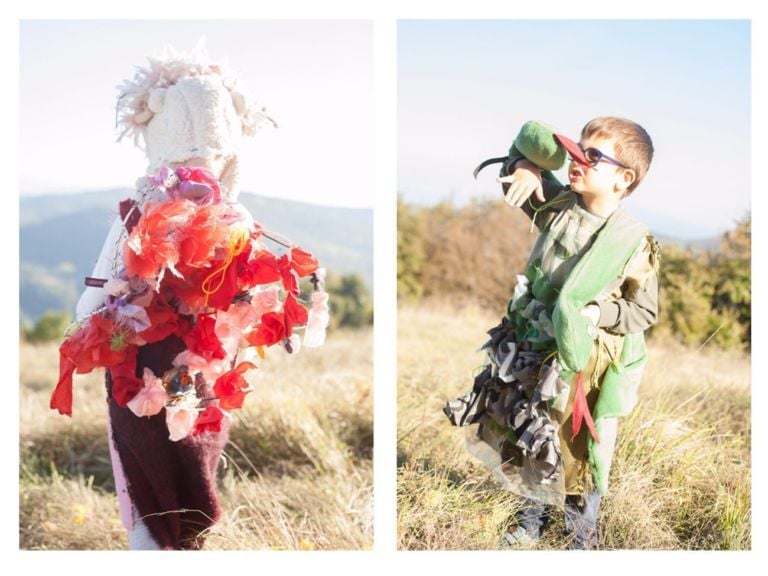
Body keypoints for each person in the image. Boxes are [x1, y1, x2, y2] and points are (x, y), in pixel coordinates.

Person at [50, 45, 329, 550]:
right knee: (194, 453)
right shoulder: (238, 220)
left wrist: (87, 323)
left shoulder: (138, 211)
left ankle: (154, 544)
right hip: (204, 367)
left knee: (142, 472)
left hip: (139, 366)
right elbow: (252, 301)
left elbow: (91, 298)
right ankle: (188, 540)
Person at [444, 117, 660, 549]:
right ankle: (531, 518)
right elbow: (516, 176)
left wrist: (597, 312)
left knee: (575, 446)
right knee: (529, 434)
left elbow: (643, 310)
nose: (577, 159)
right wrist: (524, 164)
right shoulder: (558, 205)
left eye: (593, 155)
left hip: (582, 360)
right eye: (577, 148)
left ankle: (580, 534)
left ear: (624, 178)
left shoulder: (632, 241)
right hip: (532, 346)